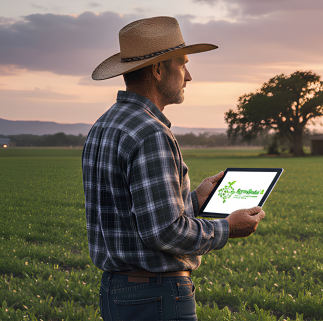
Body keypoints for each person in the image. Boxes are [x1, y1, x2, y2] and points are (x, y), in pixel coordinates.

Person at [82, 16, 266, 321]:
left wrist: (196, 201)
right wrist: (227, 228)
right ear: (157, 70)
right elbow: (165, 232)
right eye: (182, 64)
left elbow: (138, 215)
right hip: (155, 294)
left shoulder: (105, 124)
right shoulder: (151, 132)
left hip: (117, 291)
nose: (189, 75)